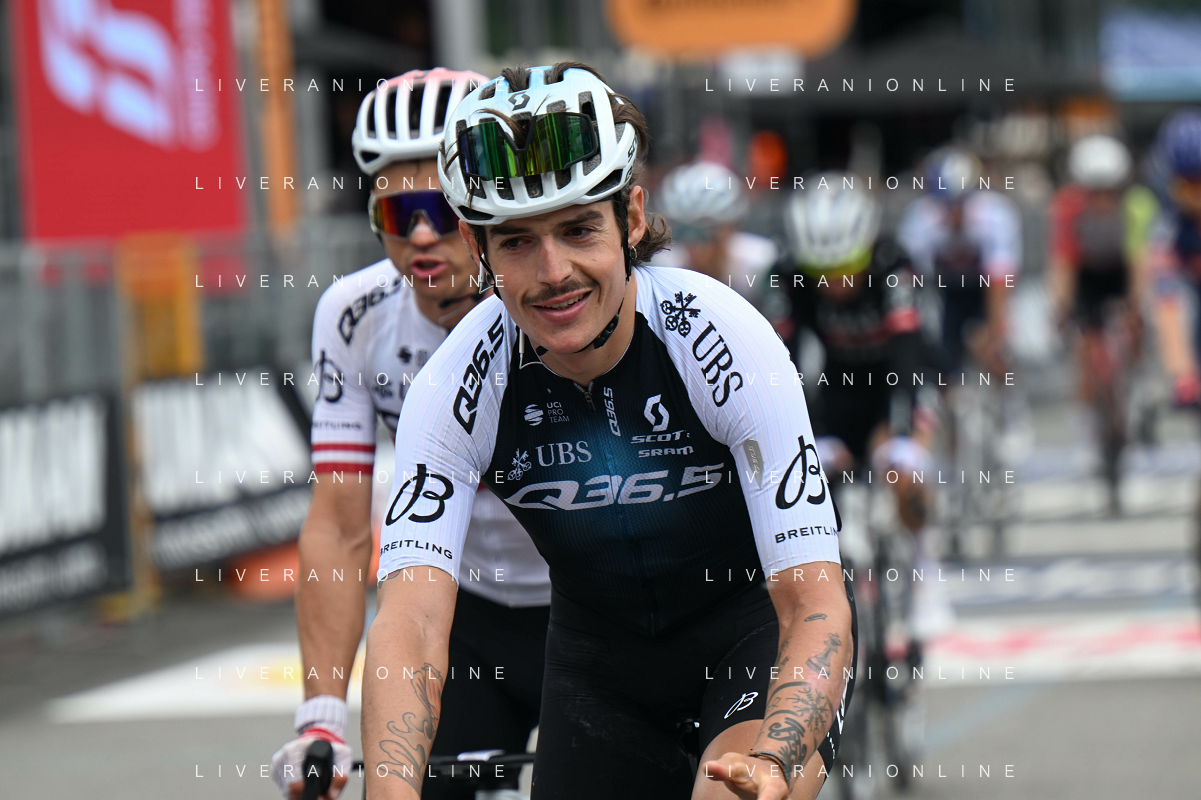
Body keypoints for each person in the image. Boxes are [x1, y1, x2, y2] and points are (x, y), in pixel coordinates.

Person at [364, 61, 856, 800]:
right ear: (477, 244)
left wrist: (777, 754)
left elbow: (813, 599)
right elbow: (411, 621)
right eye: (517, 242)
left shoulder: (722, 339)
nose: (553, 271)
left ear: (630, 218)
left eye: (577, 229)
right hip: (600, 673)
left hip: (754, 641)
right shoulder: (456, 383)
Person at [270, 68, 551, 800]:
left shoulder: (556, 298)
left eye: (441, 209)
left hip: (592, 610)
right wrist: (322, 717)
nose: (421, 235)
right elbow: (338, 527)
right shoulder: (354, 315)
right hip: (463, 614)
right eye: (397, 214)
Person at [774, 173, 935, 534]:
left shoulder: (893, 265)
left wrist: (900, 431)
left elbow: (908, 351)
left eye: (847, 267)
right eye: (820, 271)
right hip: (840, 382)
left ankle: (923, 560)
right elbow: (785, 356)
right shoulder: (787, 274)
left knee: (901, 472)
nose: (835, 283)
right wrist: (810, 431)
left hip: (899, 376)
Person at [897, 147, 1022, 376]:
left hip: (982, 288)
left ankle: (1007, 391)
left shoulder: (996, 214)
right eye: (946, 202)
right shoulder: (920, 218)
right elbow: (908, 279)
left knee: (990, 349)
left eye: (960, 201)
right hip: (945, 290)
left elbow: (1000, 278)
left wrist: (996, 332)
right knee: (942, 359)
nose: (954, 211)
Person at [654, 161, 780, 313]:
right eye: (683, 232)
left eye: (705, 233)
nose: (696, 247)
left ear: (732, 227)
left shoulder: (760, 266)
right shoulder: (664, 269)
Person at [1147, 109, 1201, 409]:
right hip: (1189, 290)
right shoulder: (1167, 228)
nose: (1196, 195)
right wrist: (1182, 372)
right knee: (1171, 302)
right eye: (1187, 185)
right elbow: (1166, 295)